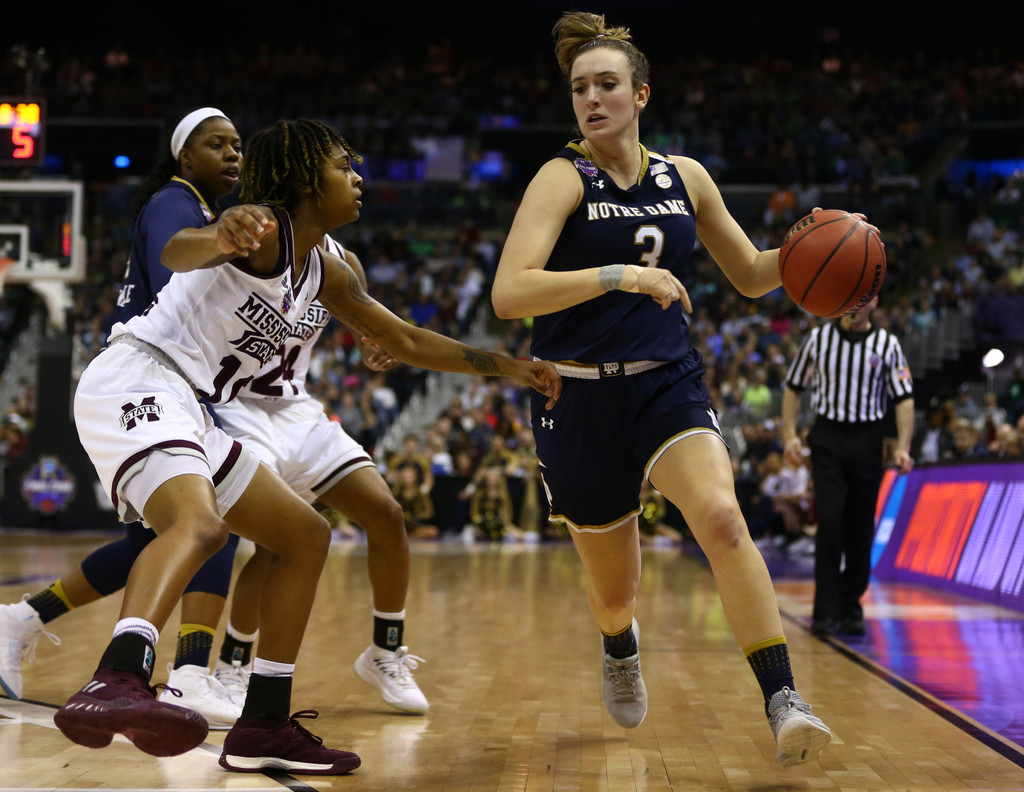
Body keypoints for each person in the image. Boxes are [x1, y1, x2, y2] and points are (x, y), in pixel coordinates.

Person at [56, 117, 561, 773]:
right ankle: (118, 677)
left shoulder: (324, 271)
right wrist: (219, 233)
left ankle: (263, 723)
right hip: (140, 377)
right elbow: (179, 251)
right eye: (343, 166)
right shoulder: (262, 232)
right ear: (301, 180)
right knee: (199, 525)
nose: (358, 177)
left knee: (303, 536)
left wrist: (508, 366)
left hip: (201, 407)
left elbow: (405, 341)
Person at [491, 11, 831, 767]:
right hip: (576, 398)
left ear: (642, 94)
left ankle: (783, 697)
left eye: (607, 84)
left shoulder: (687, 176)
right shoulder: (561, 176)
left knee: (721, 517)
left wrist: (811, 246)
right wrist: (621, 275)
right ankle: (619, 642)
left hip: (666, 384)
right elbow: (509, 295)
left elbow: (748, 273)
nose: (591, 98)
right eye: (580, 87)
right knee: (616, 592)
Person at [0, 108, 250, 727]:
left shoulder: (206, 213)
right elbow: (177, 277)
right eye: (216, 144)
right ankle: (189, 673)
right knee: (214, 511)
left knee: (152, 540)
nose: (232, 154)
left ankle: (18, 620)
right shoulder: (177, 202)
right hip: (146, 379)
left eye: (238, 145)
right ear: (183, 157)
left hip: (169, 385)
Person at [210, 233, 431, 715]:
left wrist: (372, 347)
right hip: (238, 409)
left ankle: (385, 652)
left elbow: (364, 330)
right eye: (342, 168)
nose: (355, 179)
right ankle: (231, 665)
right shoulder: (252, 241)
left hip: (298, 411)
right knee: (274, 544)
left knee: (387, 514)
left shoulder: (342, 259)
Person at [781, 294, 915, 639]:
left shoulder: (888, 344)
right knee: (829, 519)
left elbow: (904, 397)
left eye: (864, 300)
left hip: (868, 440)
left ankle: (851, 605)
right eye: (851, 299)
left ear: (876, 303)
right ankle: (824, 611)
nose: (856, 306)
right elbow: (793, 388)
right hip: (828, 438)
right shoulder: (818, 339)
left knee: (859, 526)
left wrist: (903, 445)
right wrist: (789, 435)